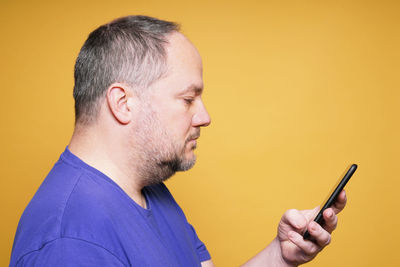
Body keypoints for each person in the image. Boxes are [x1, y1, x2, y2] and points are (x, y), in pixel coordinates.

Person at [10, 15, 347, 267]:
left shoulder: (148, 188)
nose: (204, 116)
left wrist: (281, 254)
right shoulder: (70, 242)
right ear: (123, 103)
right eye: (188, 99)